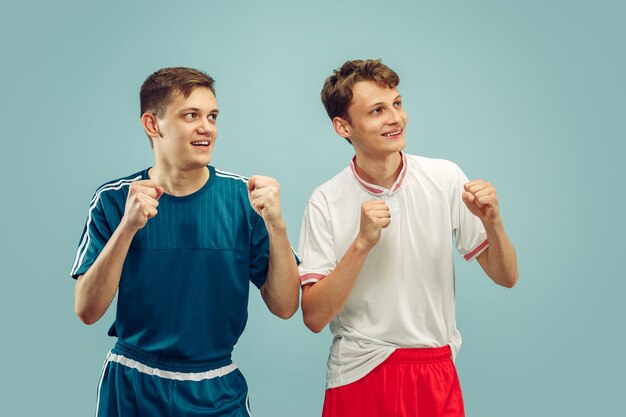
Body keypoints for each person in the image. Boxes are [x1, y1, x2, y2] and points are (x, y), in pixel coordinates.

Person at [70, 67, 300, 416]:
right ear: (153, 124)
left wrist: (277, 225)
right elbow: (87, 310)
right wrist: (128, 228)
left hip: (217, 389)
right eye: (190, 115)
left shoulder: (245, 199)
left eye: (212, 116)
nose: (206, 127)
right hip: (133, 385)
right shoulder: (114, 200)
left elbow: (285, 306)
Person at [297, 59, 519, 417]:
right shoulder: (325, 199)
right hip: (360, 370)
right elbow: (313, 316)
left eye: (397, 104)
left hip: (435, 369)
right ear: (343, 127)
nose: (395, 118)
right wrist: (362, 244)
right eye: (377, 110)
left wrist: (493, 222)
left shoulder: (445, 177)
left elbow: (507, 277)